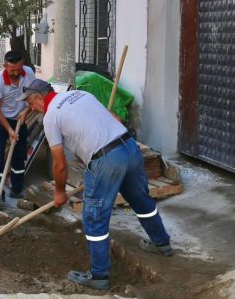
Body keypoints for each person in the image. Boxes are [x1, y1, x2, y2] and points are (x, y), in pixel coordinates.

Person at [19, 79, 173, 291]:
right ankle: (161, 243)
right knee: (141, 200)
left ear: (38, 97)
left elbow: (60, 164)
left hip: (106, 159)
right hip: (130, 147)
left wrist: (60, 192)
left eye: (30, 103)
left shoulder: (51, 116)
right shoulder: (82, 95)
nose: (30, 108)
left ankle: (99, 275)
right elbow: (116, 119)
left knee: (94, 217)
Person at [0, 50, 35, 200]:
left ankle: (17, 189)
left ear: (23, 65)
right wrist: (8, 129)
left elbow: (34, 94)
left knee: (19, 156)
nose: (16, 73)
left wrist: (26, 110)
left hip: (19, 119)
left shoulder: (28, 73)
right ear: (5, 66)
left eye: (18, 69)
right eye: (12, 70)